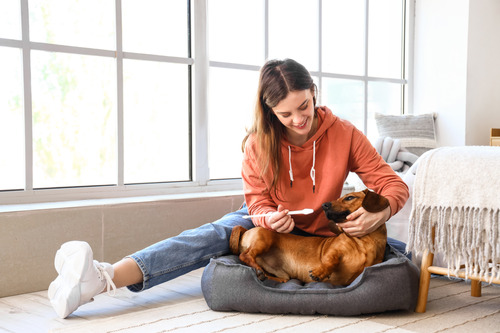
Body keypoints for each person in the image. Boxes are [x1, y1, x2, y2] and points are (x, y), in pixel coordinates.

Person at [48, 58, 409, 319]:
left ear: (314, 92)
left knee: (401, 253)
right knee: (211, 233)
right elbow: (257, 202)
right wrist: (268, 217)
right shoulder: (257, 144)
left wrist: (382, 210)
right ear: (270, 112)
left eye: (304, 106)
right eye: (286, 115)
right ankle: (102, 278)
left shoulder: (344, 134)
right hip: (273, 220)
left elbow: (392, 184)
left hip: (325, 231)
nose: (299, 120)